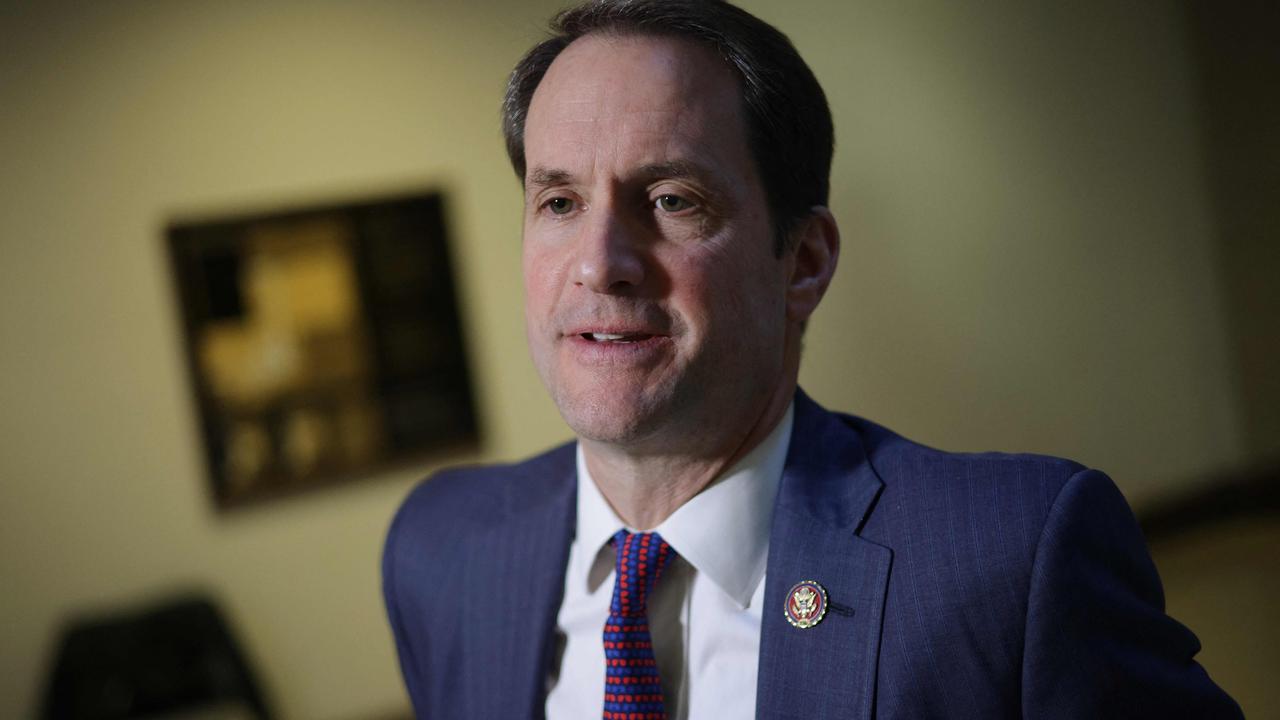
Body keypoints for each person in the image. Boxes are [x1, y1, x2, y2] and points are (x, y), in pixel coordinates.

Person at [382, 1, 1242, 717]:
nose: (600, 260)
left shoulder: (1012, 564)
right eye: (560, 200)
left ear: (804, 261)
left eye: (672, 199)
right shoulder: (441, 551)